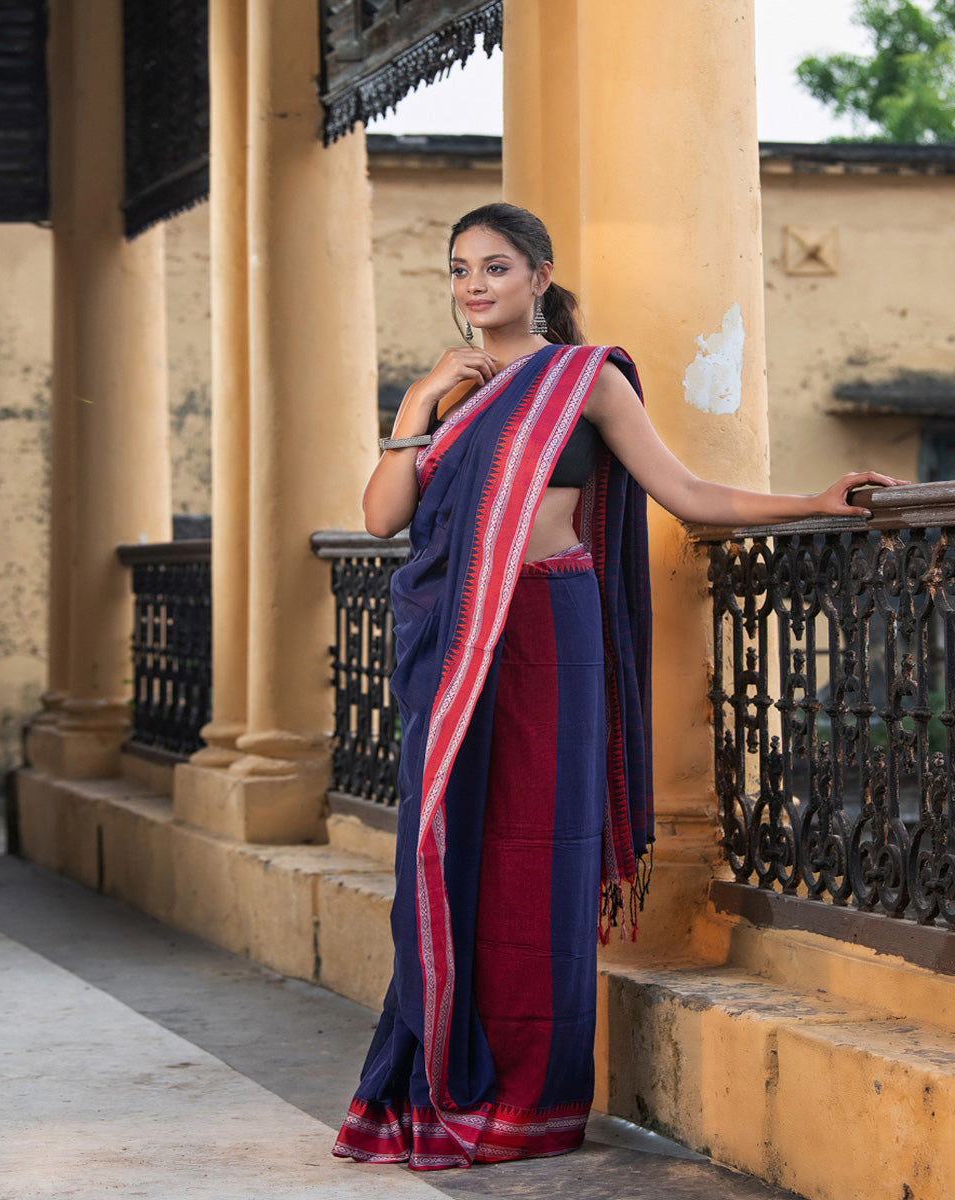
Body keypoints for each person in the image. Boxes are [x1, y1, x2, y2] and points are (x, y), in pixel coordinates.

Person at [332, 203, 903, 1172]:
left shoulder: (581, 380)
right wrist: (415, 403)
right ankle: (434, 1080)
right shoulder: (454, 391)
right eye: (460, 269)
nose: (476, 285)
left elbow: (687, 494)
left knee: (537, 854)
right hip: (456, 638)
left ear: (539, 277)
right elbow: (385, 515)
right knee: (446, 848)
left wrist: (811, 502)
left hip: (546, 629)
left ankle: (529, 1103)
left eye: (497, 267)